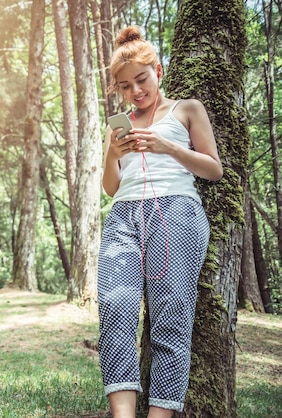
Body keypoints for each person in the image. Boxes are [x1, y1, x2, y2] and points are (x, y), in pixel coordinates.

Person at [97, 26, 223, 418]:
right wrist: (111, 154)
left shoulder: (186, 110)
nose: (136, 91)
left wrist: (165, 143)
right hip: (124, 216)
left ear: (158, 71)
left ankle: (160, 414)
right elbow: (111, 186)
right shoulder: (117, 125)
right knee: (115, 306)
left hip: (176, 213)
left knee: (171, 313)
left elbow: (214, 170)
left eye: (142, 79)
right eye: (125, 86)